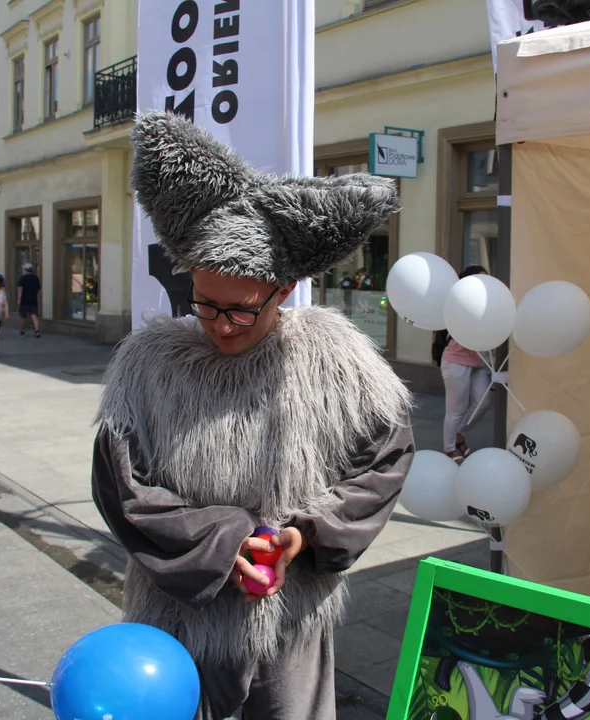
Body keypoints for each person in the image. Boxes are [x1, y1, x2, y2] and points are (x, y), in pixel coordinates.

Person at [92, 111, 414, 720]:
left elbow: (383, 462)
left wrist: (306, 533)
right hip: (181, 616)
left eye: (241, 310)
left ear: (283, 291)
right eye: (204, 305)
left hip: (292, 613)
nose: (221, 326)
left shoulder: (338, 361)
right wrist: (224, 542)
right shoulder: (148, 364)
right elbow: (123, 487)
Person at [440, 265, 493, 463]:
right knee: (456, 408)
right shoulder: (461, 302)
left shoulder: (488, 302)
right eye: (482, 279)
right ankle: (449, 448)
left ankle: (458, 434)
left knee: (484, 401)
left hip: (476, 360)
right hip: (456, 360)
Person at [16, 263, 41, 338]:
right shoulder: (35, 278)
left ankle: (22, 332)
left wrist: (19, 299)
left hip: (24, 299)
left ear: (25, 270)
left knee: (23, 316)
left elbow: (20, 289)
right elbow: (38, 289)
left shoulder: (22, 278)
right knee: (34, 315)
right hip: (33, 299)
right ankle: (37, 331)